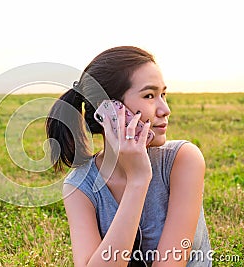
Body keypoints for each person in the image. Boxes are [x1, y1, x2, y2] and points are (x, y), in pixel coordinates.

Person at [45, 46, 212, 266]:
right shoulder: (80, 186)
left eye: (163, 94)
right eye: (149, 95)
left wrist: (140, 177)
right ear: (109, 110)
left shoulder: (182, 160)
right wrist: (137, 181)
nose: (165, 109)